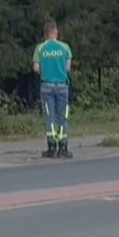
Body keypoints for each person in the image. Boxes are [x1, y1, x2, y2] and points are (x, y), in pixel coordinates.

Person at [33, 21, 73, 158]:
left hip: (46, 86)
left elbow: (36, 68)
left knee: (49, 117)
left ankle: (51, 148)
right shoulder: (65, 48)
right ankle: (63, 148)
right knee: (63, 117)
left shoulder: (40, 48)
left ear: (45, 34)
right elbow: (68, 68)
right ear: (55, 32)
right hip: (62, 86)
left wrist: (46, 70)